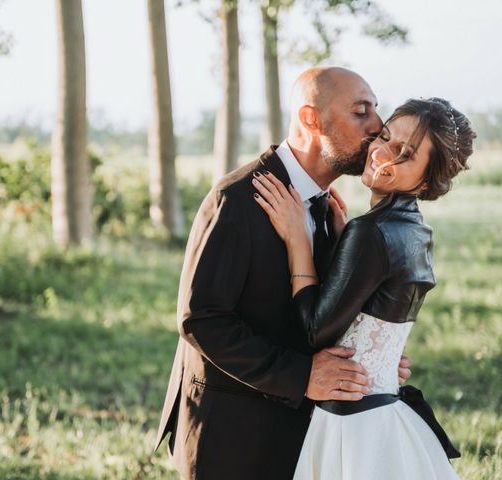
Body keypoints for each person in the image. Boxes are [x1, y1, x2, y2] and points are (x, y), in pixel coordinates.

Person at [155, 66, 412, 479]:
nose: (378, 127)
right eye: (361, 112)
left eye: (375, 111)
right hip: (232, 437)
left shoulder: (333, 210)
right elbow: (201, 319)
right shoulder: (237, 199)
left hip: (299, 438)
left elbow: (320, 316)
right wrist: (303, 376)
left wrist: (373, 358)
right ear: (311, 119)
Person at [252, 97, 474, 479]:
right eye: (385, 136)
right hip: (385, 415)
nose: (380, 152)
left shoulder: (370, 232)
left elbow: (313, 331)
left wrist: (298, 241)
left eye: (404, 153)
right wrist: (344, 252)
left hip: (351, 426)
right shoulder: (417, 232)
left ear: (426, 181)